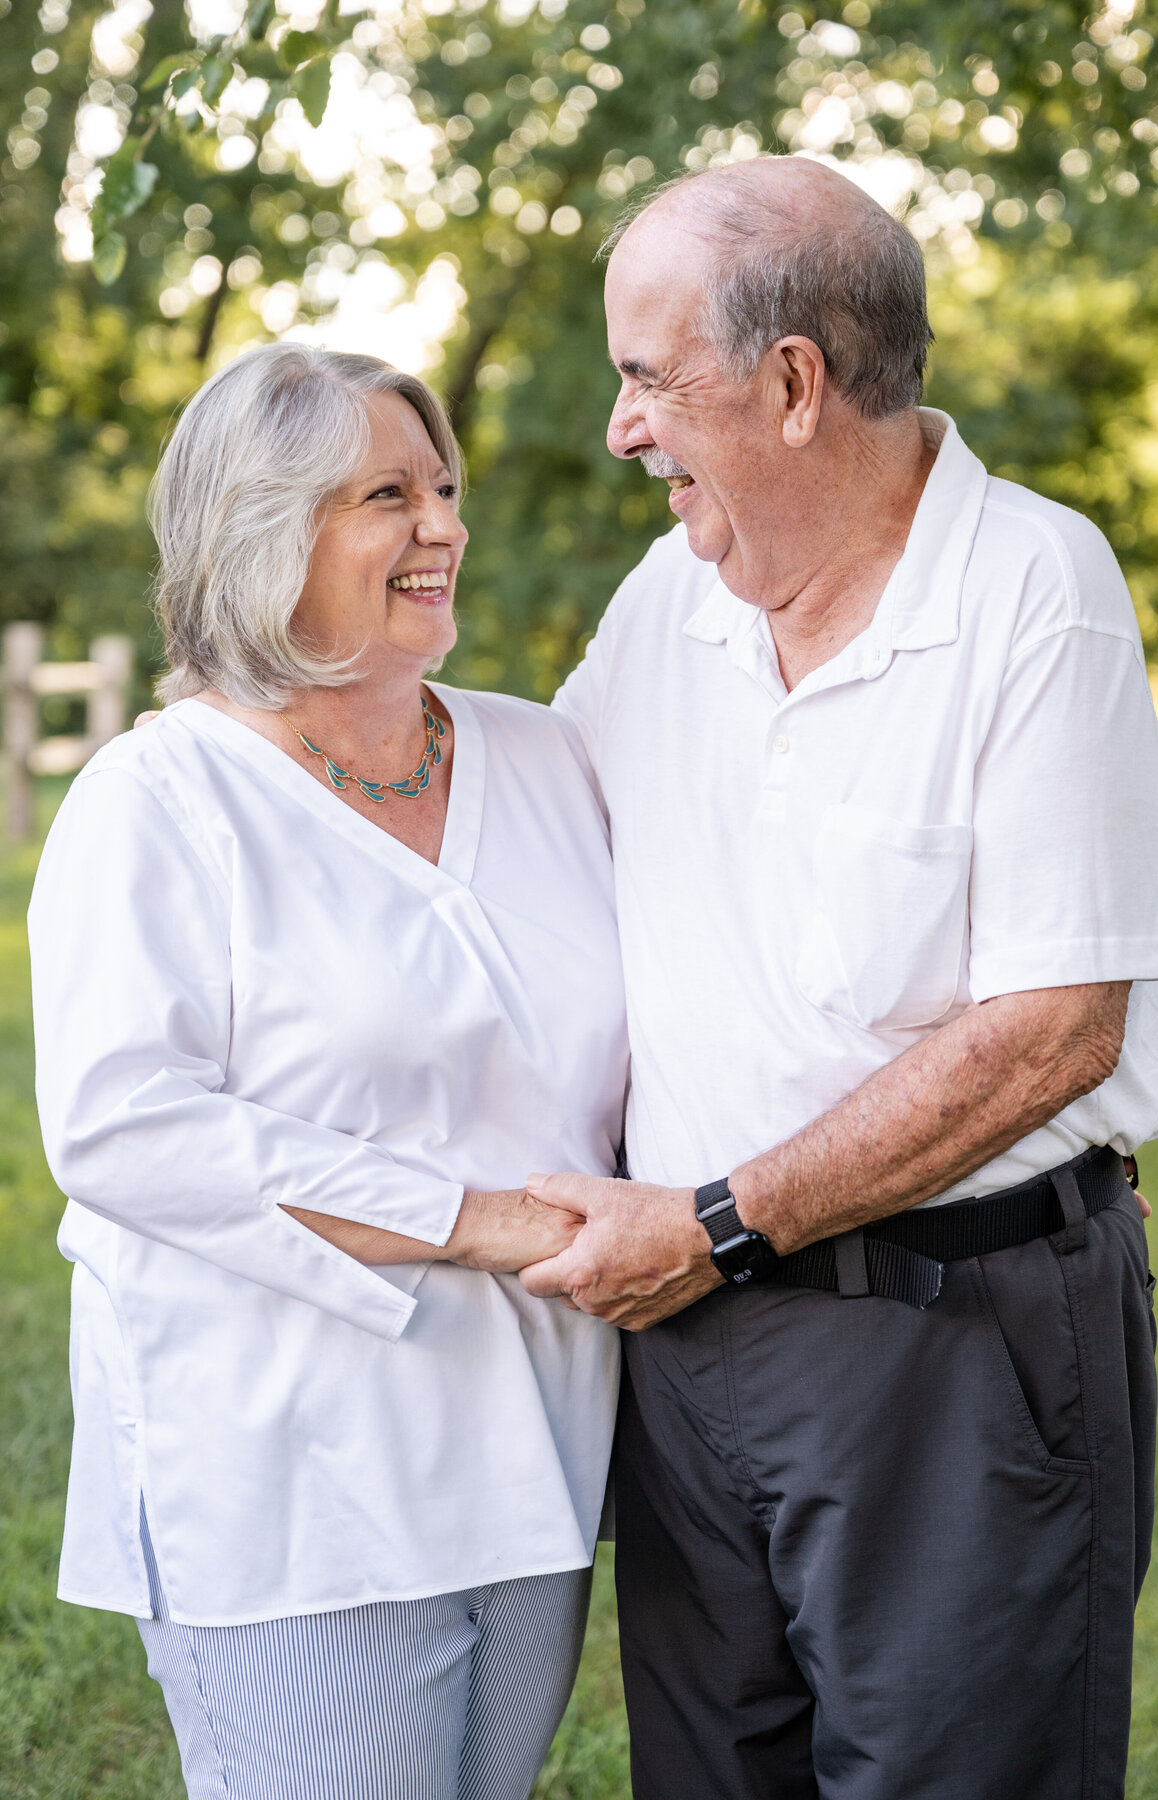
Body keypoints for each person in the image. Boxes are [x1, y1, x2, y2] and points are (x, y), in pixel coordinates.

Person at [523, 158, 1158, 1799]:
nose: (624, 430)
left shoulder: (1037, 590)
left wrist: (719, 1219)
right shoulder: (670, 598)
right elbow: (528, 838)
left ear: (794, 384)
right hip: (692, 1352)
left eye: (647, 377)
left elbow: (1052, 1031)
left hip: (956, 1348)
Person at [28, 343, 628, 1800]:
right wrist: (473, 1215)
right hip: (292, 1470)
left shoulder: (547, 759)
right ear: (263, 535)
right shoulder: (159, 798)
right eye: (386, 495)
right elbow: (124, 1129)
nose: (442, 527)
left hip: (535, 1439)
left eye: (443, 488)